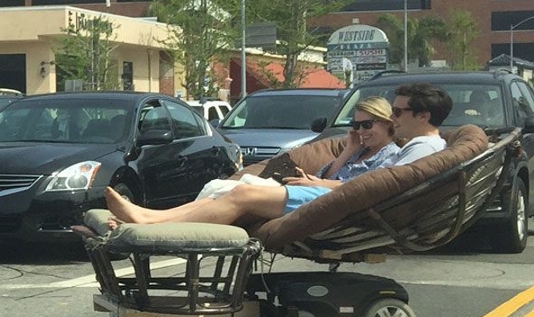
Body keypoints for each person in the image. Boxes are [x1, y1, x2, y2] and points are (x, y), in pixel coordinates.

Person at [105, 96, 401, 227]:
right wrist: (348, 151)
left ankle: (150, 222)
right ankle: (150, 217)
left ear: (388, 123)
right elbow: (334, 174)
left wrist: (318, 182)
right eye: (357, 125)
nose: (361, 131)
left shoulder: (391, 157)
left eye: (368, 125)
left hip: (334, 203)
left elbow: (365, 188)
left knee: (243, 192)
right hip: (317, 193)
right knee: (219, 188)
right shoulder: (360, 151)